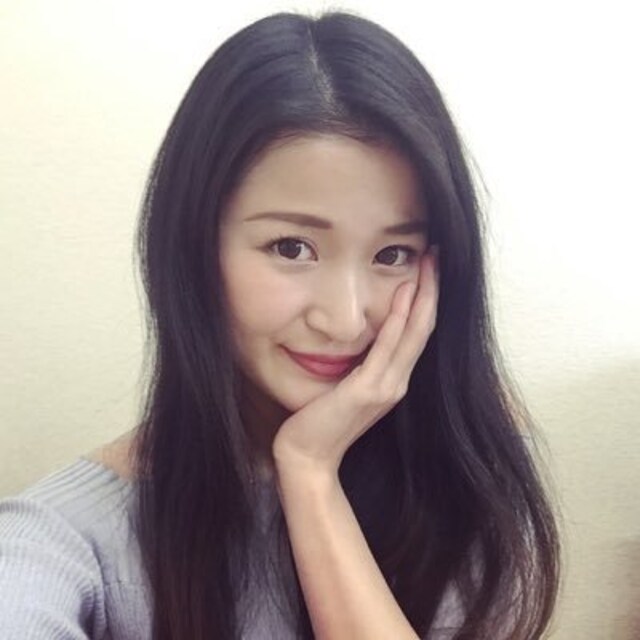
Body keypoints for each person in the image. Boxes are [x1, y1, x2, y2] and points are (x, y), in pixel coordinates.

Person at [0, 10, 561, 640]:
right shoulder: (63, 540)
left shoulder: (469, 469)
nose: (345, 320)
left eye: (392, 254)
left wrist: (310, 474)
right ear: (193, 246)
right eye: (292, 247)